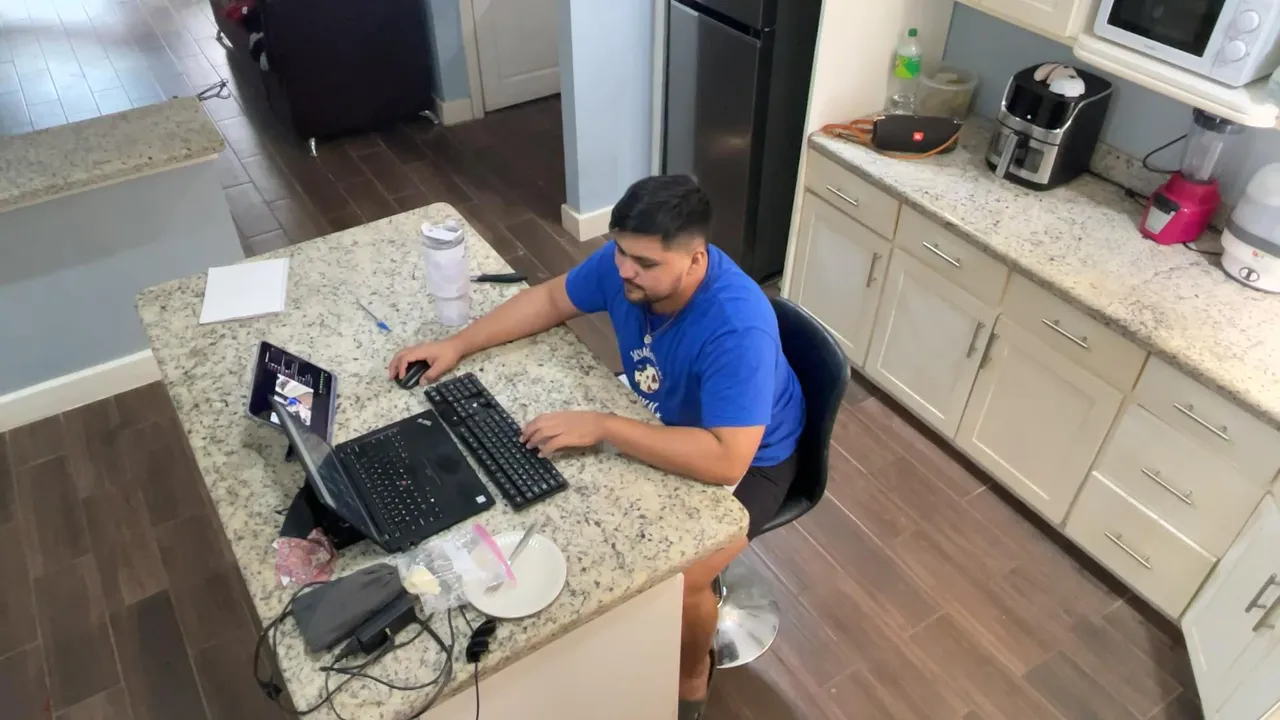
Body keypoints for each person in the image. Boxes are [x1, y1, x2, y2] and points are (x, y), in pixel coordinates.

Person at [390, 175, 805, 720]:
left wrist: (605, 426)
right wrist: (457, 344)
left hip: (754, 456)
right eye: (620, 251)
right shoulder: (626, 265)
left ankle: (691, 674)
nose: (625, 270)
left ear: (696, 260)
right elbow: (551, 298)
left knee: (680, 579)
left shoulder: (737, 327)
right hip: (664, 414)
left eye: (645, 263)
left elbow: (727, 457)